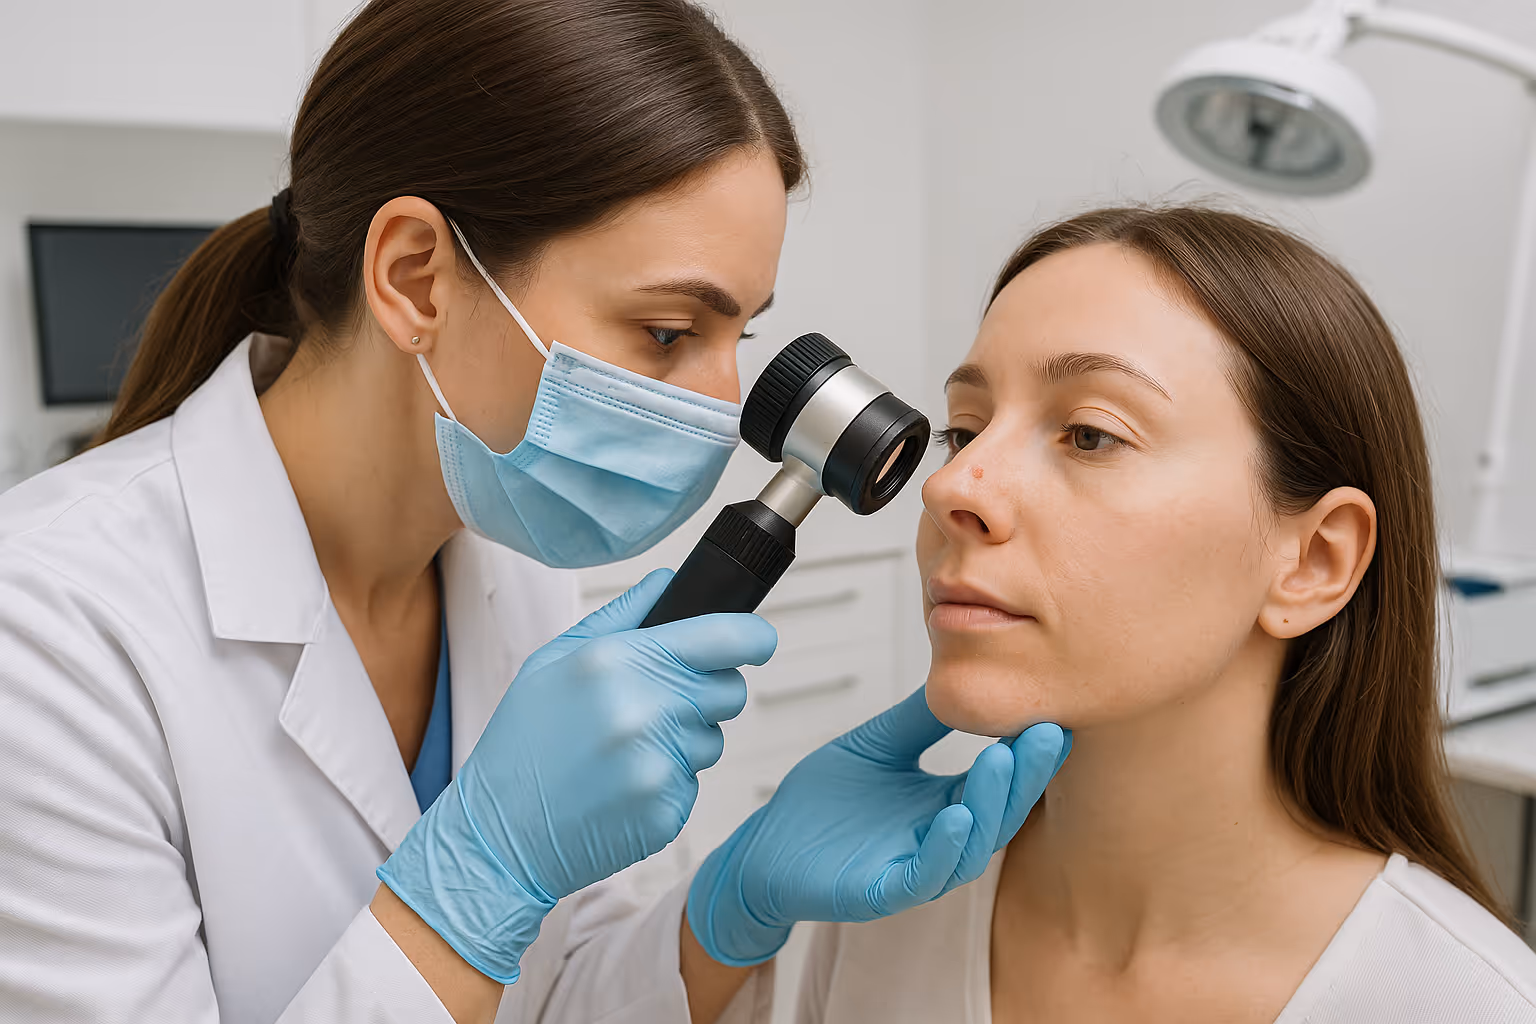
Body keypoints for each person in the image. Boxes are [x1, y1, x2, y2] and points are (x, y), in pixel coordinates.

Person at [0, 2, 1066, 1022]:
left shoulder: (513, 564)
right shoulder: (48, 627)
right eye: (664, 332)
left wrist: (730, 909)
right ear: (416, 276)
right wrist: (472, 883)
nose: (721, 404)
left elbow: (558, 995)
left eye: (736, 337)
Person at [737, 205, 1536, 1022]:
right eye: (963, 430)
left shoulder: (1467, 1003)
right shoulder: (885, 916)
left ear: (1313, 562)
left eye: (1089, 434)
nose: (949, 488)